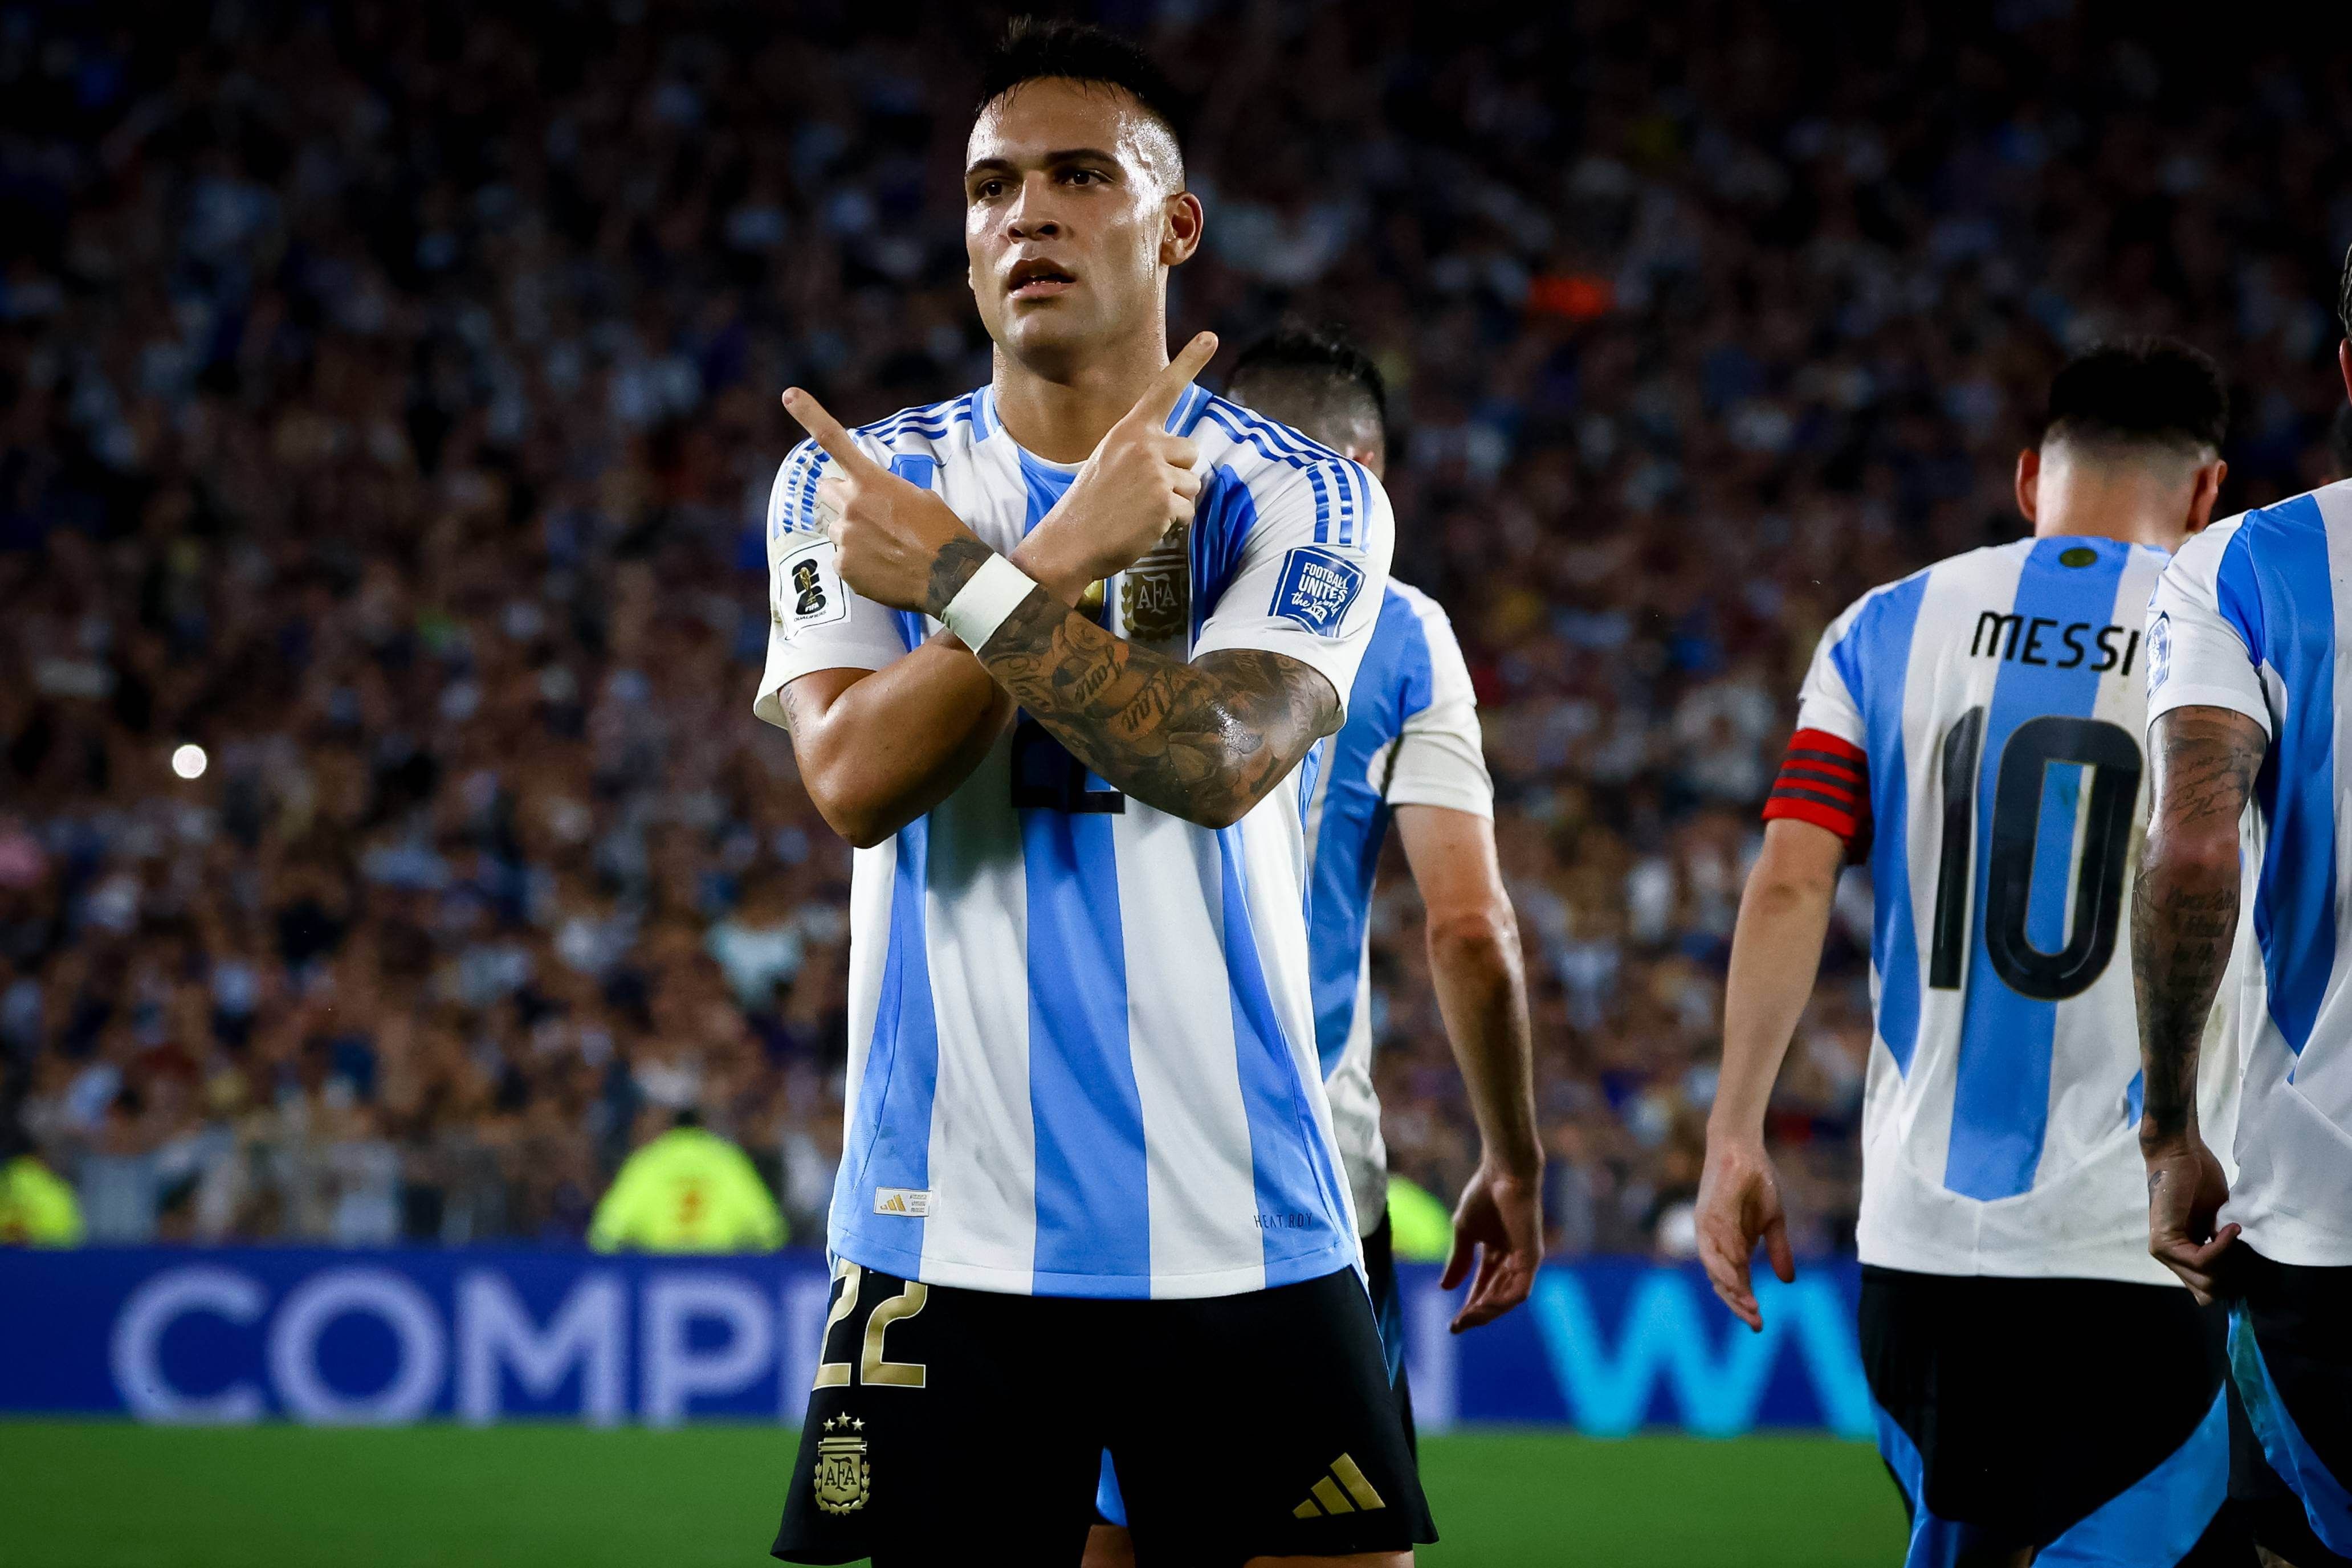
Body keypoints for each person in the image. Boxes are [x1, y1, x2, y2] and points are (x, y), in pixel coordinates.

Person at [757, 22, 1423, 1567]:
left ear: (1173, 225)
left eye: (1076, 177)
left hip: (1242, 1207)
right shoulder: (853, 480)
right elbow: (851, 781)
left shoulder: (1305, 491)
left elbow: (1211, 761)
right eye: (991, 188)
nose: (1025, 216)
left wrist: (954, 580)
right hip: (940, 1228)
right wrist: (1045, 557)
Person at [1697, 340, 2250, 1567]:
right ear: (2205, 491)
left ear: (2024, 478)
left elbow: (1790, 876)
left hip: (1919, 1250)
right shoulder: (2232, 629)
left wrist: (1732, 1130)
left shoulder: (1880, 626)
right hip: (2152, 1239)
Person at [1083, 328, 1542, 1568]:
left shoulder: (1084, 587)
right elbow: (1467, 925)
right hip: (1293, 1175)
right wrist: (1511, 1153)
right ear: (1364, 474)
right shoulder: (1398, 625)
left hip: (1079, 1173)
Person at [2135, 257, 2352, 1567]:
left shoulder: (2245, 565)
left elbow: (2195, 845)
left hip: (2326, 1210)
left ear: (2344, 368)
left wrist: (2167, 1125)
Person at [587, 1108, 786, 1253]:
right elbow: (771, 1231)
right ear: (703, 1126)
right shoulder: (728, 1160)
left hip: (659, 1271)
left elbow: (605, 1233)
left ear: (671, 1127)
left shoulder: (648, 1160)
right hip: (717, 1270)